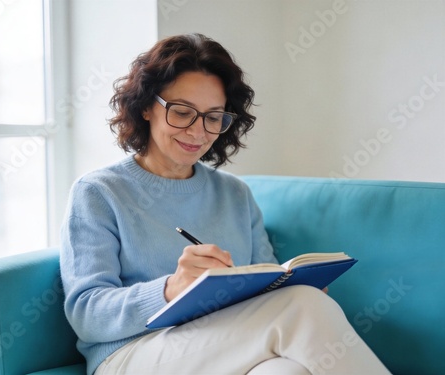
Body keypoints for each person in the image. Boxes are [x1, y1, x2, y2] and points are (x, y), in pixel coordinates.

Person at [60, 33, 390, 375]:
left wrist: (292, 286)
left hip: (225, 345)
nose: (197, 131)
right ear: (145, 107)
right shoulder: (98, 192)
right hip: (130, 355)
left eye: (213, 117)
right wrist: (172, 288)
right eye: (182, 112)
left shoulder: (235, 194)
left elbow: (270, 283)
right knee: (302, 307)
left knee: (287, 369)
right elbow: (87, 315)